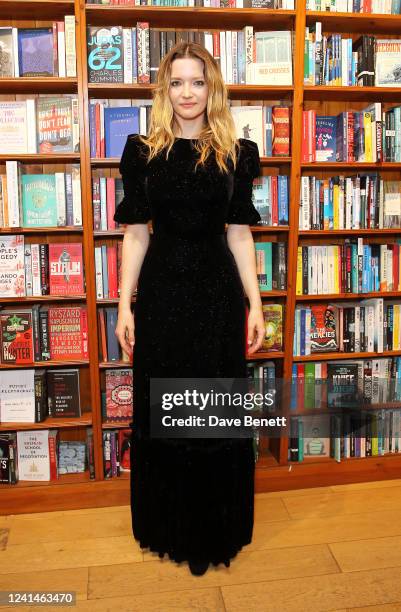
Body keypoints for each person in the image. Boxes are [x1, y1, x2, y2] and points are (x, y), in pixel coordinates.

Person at [114, 41, 265, 576]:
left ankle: (214, 527)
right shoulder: (142, 151)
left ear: (212, 88)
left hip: (218, 297)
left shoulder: (235, 153)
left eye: (196, 82)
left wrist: (256, 305)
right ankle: (167, 525)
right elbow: (134, 235)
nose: (186, 93)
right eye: (176, 82)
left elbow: (241, 237)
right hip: (161, 296)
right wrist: (123, 306)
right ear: (164, 89)